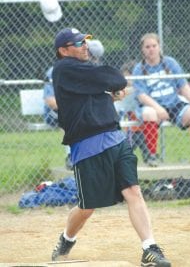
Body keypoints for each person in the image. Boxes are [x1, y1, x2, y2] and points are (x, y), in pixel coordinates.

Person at [51, 27, 171, 267]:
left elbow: (107, 83)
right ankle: (67, 239)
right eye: (78, 43)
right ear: (63, 51)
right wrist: (110, 87)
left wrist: (109, 90)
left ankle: (150, 248)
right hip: (87, 146)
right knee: (87, 207)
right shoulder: (64, 69)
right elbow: (115, 78)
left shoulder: (83, 71)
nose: (85, 46)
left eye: (85, 41)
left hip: (115, 138)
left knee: (133, 192)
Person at [133, 32, 190, 166]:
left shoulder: (170, 63)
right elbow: (141, 96)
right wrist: (158, 108)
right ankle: (152, 157)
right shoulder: (139, 69)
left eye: (154, 45)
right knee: (148, 113)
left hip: (174, 104)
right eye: (147, 47)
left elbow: (183, 86)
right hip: (154, 107)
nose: (151, 49)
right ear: (142, 49)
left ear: (159, 47)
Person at [115, 60, 150, 164]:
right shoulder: (123, 91)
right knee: (130, 145)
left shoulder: (139, 90)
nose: (126, 80)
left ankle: (148, 159)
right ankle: (124, 161)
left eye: (128, 77)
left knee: (144, 145)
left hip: (143, 127)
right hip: (131, 129)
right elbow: (120, 108)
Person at [43, 66, 72, 169]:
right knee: (70, 115)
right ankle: (70, 155)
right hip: (54, 113)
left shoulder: (86, 69)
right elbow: (50, 101)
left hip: (79, 110)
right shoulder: (54, 71)